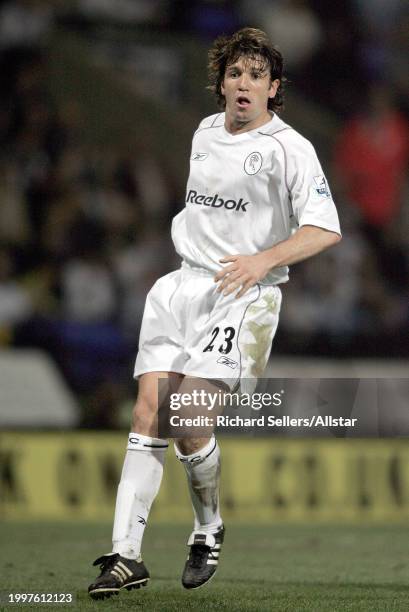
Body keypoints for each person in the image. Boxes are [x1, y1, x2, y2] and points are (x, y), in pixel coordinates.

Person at [87, 27, 341, 599]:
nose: (243, 84)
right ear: (221, 84)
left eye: (256, 76)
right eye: (235, 74)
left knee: (190, 418)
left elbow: (326, 228)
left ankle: (208, 527)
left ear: (274, 88)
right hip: (181, 287)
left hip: (244, 296)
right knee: (149, 411)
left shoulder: (288, 148)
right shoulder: (204, 131)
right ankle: (126, 556)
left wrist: (261, 261)